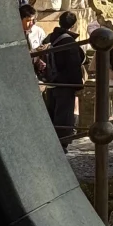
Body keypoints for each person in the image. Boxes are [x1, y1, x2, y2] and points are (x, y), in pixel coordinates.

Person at [40, 11, 85, 150]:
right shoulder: (68, 41)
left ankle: (51, 141)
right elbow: (73, 64)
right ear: (73, 25)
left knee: (52, 111)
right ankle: (62, 143)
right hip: (65, 83)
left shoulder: (50, 38)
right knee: (64, 114)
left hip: (51, 81)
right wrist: (77, 84)